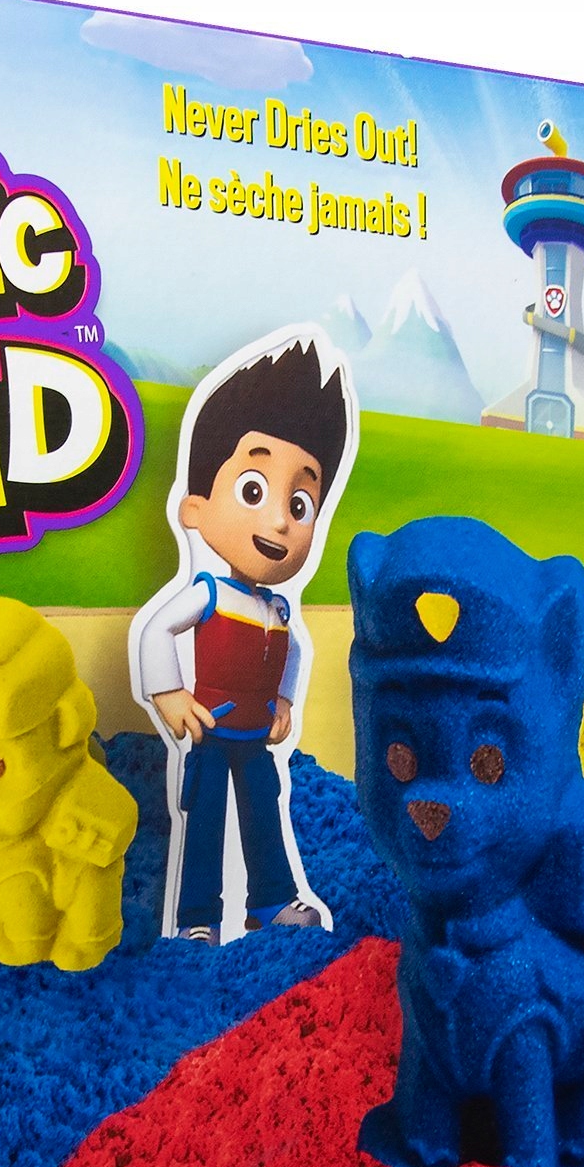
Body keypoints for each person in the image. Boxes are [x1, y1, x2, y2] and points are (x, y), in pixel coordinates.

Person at [134, 334, 355, 942]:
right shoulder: (208, 592)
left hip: (257, 737)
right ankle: (197, 918)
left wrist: (284, 700)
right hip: (210, 731)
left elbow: (295, 651)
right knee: (204, 823)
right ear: (195, 508)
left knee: (265, 819)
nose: (280, 520)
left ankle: (274, 902)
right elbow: (157, 629)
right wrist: (169, 695)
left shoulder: (278, 608)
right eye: (253, 492)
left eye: (301, 503)